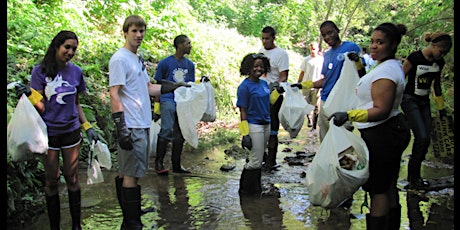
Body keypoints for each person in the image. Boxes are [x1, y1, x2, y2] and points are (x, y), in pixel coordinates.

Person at [109, 15, 189, 229]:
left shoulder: (136, 59)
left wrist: (171, 86)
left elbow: (148, 88)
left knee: (128, 171)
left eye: (142, 31)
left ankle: (129, 216)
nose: (139, 35)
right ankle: (133, 223)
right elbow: (114, 94)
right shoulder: (120, 59)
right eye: (134, 31)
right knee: (132, 175)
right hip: (131, 124)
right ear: (125, 32)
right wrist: (121, 127)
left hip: (141, 122)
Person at [14, 30, 99, 230]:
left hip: (71, 131)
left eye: (74, 49)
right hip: (48, 132)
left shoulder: (76, 72)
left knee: (73, 178)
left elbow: (76, 103)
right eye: (67, 47)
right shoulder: (40, 71)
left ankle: (76, 226)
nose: (70, 52)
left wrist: (87, 126)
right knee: (52, 181)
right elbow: (42, 106)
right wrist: (30, 94)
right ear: (56, 46)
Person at [329, 22, 411, 229]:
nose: (373, 46)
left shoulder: (387, 73)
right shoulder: (385, 66)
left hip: (383, 132)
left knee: (378, 189)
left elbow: (380, 109)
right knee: (388, 184)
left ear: (393, 45)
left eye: (380, 42)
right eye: (372, 41)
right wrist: (357, 66)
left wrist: (348, 115)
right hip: (388, 130)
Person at [291, 20, 366, 142]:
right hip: (326, 100)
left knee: (342, 139)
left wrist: (357, 62)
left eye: (330, 33)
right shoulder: (327, 54)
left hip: (343, 102)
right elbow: (325, 80)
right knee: (325, 140)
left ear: (337, 30)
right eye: (324, 35)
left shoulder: (351, 47)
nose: (327, 37)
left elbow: (362, 75)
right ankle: (327, 161)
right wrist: (302, 85)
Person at [400, 32, 452, 190]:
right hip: (409, 99)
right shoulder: (415, 57)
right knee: (421, 136)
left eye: (445, 53)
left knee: (426, 139)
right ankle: (412, 177)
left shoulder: (439, 63)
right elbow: (400, 77)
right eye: (441, 51)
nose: (441, 55)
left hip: (424, 102)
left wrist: (442, 109)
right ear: (434, 46)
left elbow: (436, 86)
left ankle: (416, 176)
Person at [237, 53, 284, 195]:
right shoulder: (244, 87)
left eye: (261, 67)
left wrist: (277, 94)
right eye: (255, 66)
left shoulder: (264, 84)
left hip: (266, 125)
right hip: (254, 125)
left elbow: (268, 102)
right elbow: (242, 111)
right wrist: (245, 134)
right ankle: (245, 190)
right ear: (248, 68)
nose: (259, 69)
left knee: (260, 159)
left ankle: (256, 188)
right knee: (255, 161)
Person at [153, 34, 196, 175]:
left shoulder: (190, 65)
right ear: (180, 45)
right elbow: (158, 84)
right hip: (168, 99)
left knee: (181, 132)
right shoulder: (165, 63)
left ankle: (176, 165)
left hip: (182, 101)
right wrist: (157, 106)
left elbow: (190, 85)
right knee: (166, 129)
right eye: (188, 43)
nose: (190, 46)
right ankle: (159, 163)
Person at [259, 26, 289, 171]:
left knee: (273, 128)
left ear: (273, 38)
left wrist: (277, 87)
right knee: (260, 125)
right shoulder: (260, 52)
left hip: (274, 93)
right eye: (263, 38)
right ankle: (262, 156)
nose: (265, 41)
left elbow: (284, 75)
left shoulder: (281, 54)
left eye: (267, 38)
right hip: (260, 92)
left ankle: (271, 160)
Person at [296, 41, 324, 131]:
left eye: (314, 49)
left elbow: (324, 73)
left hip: (317, 85)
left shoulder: (321, 60)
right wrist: (298, 82)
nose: (312, 50)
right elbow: (302, 72)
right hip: (306, 85)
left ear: (318, 49)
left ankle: (314, 125)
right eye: (311, 49)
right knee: (306, 104)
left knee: (315, 106)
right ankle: (309, 119)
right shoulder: (306, 60)